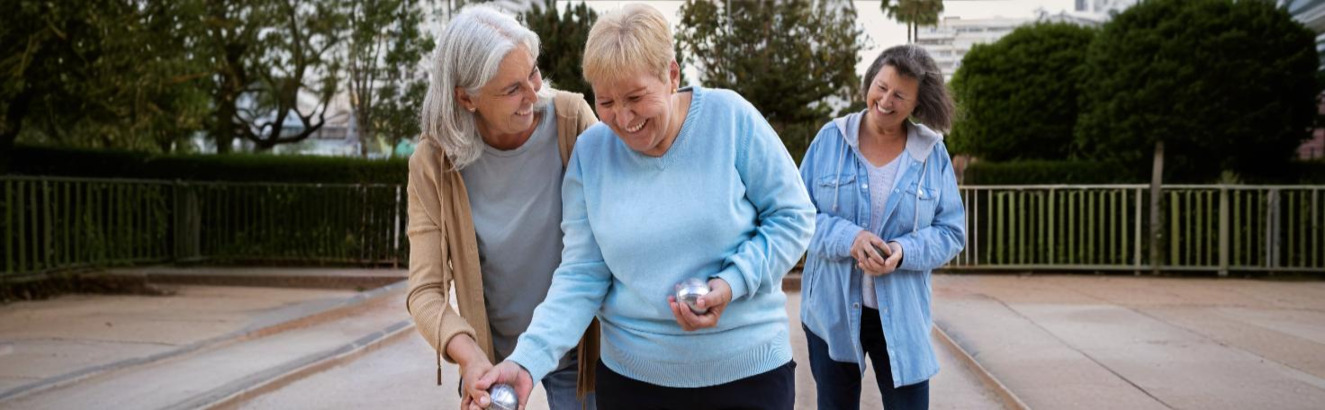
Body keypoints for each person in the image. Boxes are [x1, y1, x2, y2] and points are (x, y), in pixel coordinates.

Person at [470, 4, 815, 410]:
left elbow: (793, 216)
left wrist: (732, 282)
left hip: (748, 375)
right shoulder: (591, 154)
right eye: (606, 101)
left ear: (672, 74)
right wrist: (526, 362)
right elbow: (581, 275)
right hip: (633, 385)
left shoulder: (730, 118)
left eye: (635, 97)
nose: (623, 118)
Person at [404, 5, 599, 410]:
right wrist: (470, 357)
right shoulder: (433, 162)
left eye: (532, 72)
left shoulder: (571, 121)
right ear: (466, 98)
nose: (534, 94)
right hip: (492, 360)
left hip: (578, 348)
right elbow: (425, 292)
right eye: (512, 89)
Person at [798, 44, 967, 410]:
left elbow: (952, 231)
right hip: (832, 312)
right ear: (869, 82)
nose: (886, 100)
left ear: (917, 106)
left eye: (900, 95)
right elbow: (797, 217)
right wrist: (850, 238)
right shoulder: (830, 139)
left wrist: (903, 252)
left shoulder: (931, 154)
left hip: (903, 317)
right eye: (881, 86)